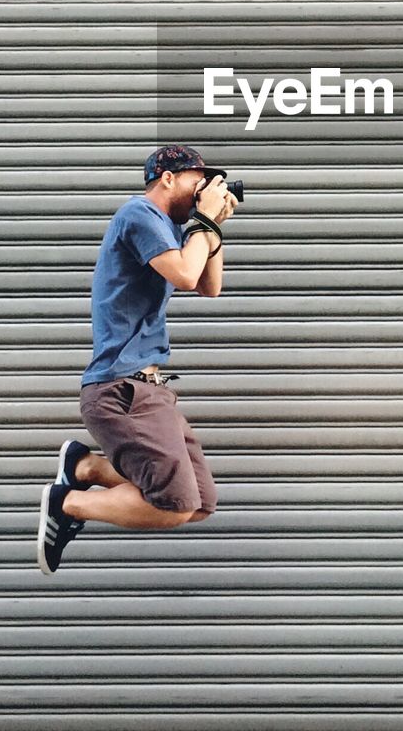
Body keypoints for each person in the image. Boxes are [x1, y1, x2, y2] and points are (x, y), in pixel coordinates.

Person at [37, 144, 238, 574]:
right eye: (197, 180)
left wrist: (212, 226)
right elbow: (185, 276)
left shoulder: (166, 228)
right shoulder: (138, 215)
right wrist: (203, 220)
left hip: (148, 390)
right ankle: (68, 502)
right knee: (174, 503)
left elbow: (209, 287)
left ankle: (85, 466)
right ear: (168, 177)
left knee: (199, 502)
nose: (204, 188)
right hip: (122, 389)